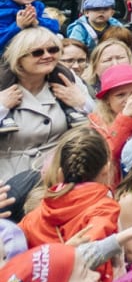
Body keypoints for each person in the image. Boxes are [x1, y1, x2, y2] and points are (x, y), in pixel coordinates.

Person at [0, 30, 91, 178]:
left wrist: (82, 102)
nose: (47, 56)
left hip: (56, 177)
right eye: (37, 52)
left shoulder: (67, 81)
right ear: (19, 59)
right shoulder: (3, 86)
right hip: (8, 181)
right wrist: (2, 106)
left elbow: (101, 121)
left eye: (53, 50)